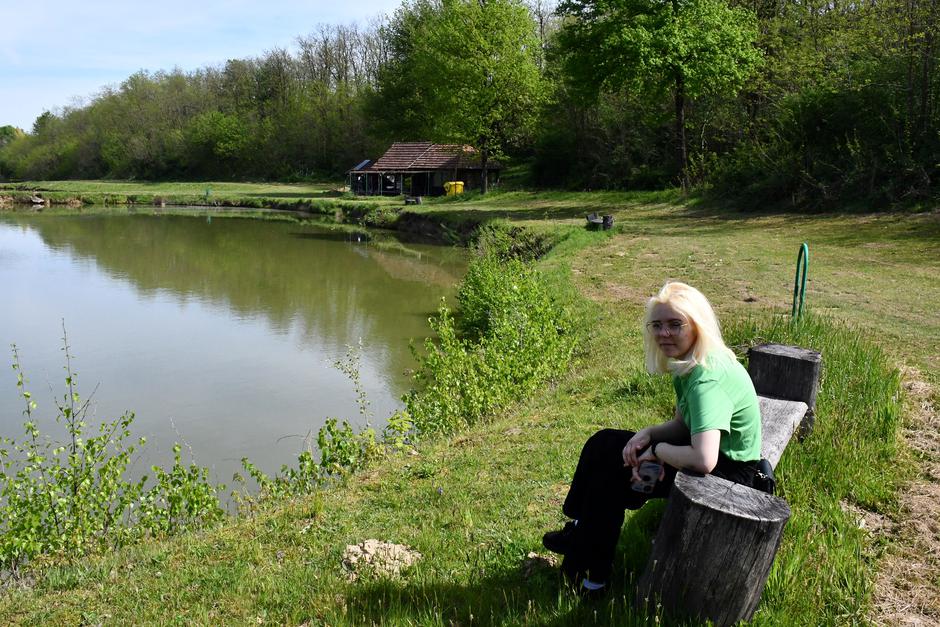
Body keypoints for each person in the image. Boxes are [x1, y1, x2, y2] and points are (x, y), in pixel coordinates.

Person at [541, 281, 763, 597]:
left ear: (697, 326)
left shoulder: (706, 379)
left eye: (675, 324)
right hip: (714, 458)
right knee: (604, 443)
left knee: (611, 478)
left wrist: (657, 451)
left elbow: (704, 459)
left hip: (729, 476)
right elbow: (684, 424)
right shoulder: (692, 362)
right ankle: (579, 529)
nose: (664, 334)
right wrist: (649, 434)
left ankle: (592, 578)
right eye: (657, 325)